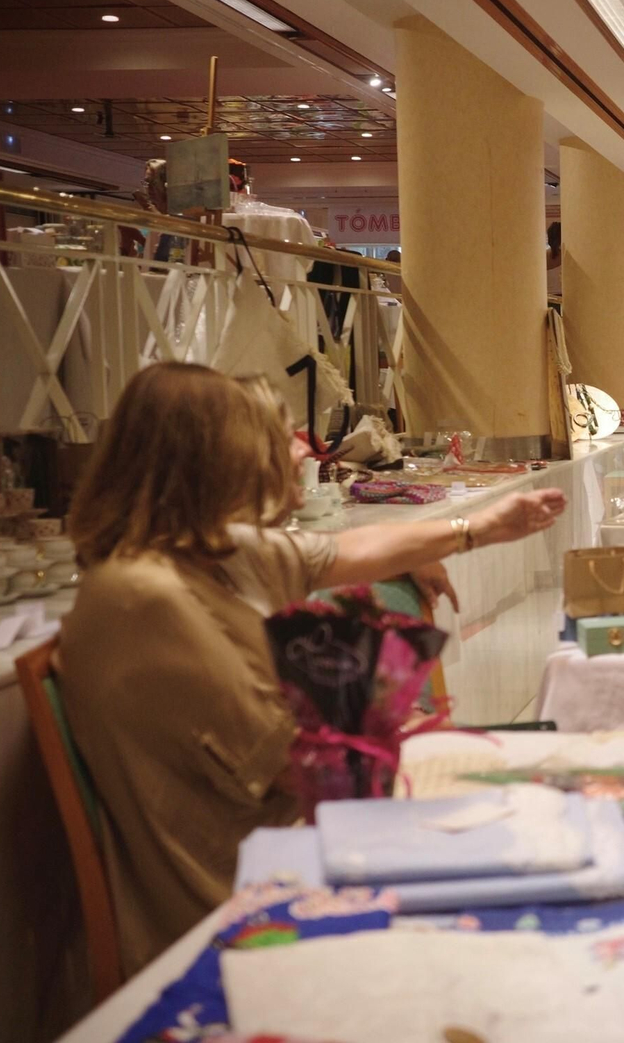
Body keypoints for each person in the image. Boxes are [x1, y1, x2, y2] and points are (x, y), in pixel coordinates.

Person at [57, 363, 567, 975]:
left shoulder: (193, 552)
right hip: (248, 890)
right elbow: (289, 763)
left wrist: (470, 533)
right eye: (265, 463)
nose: (288, 488)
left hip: (290, 834)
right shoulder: (144, 596)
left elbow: (336, 552)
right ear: (204, 468)